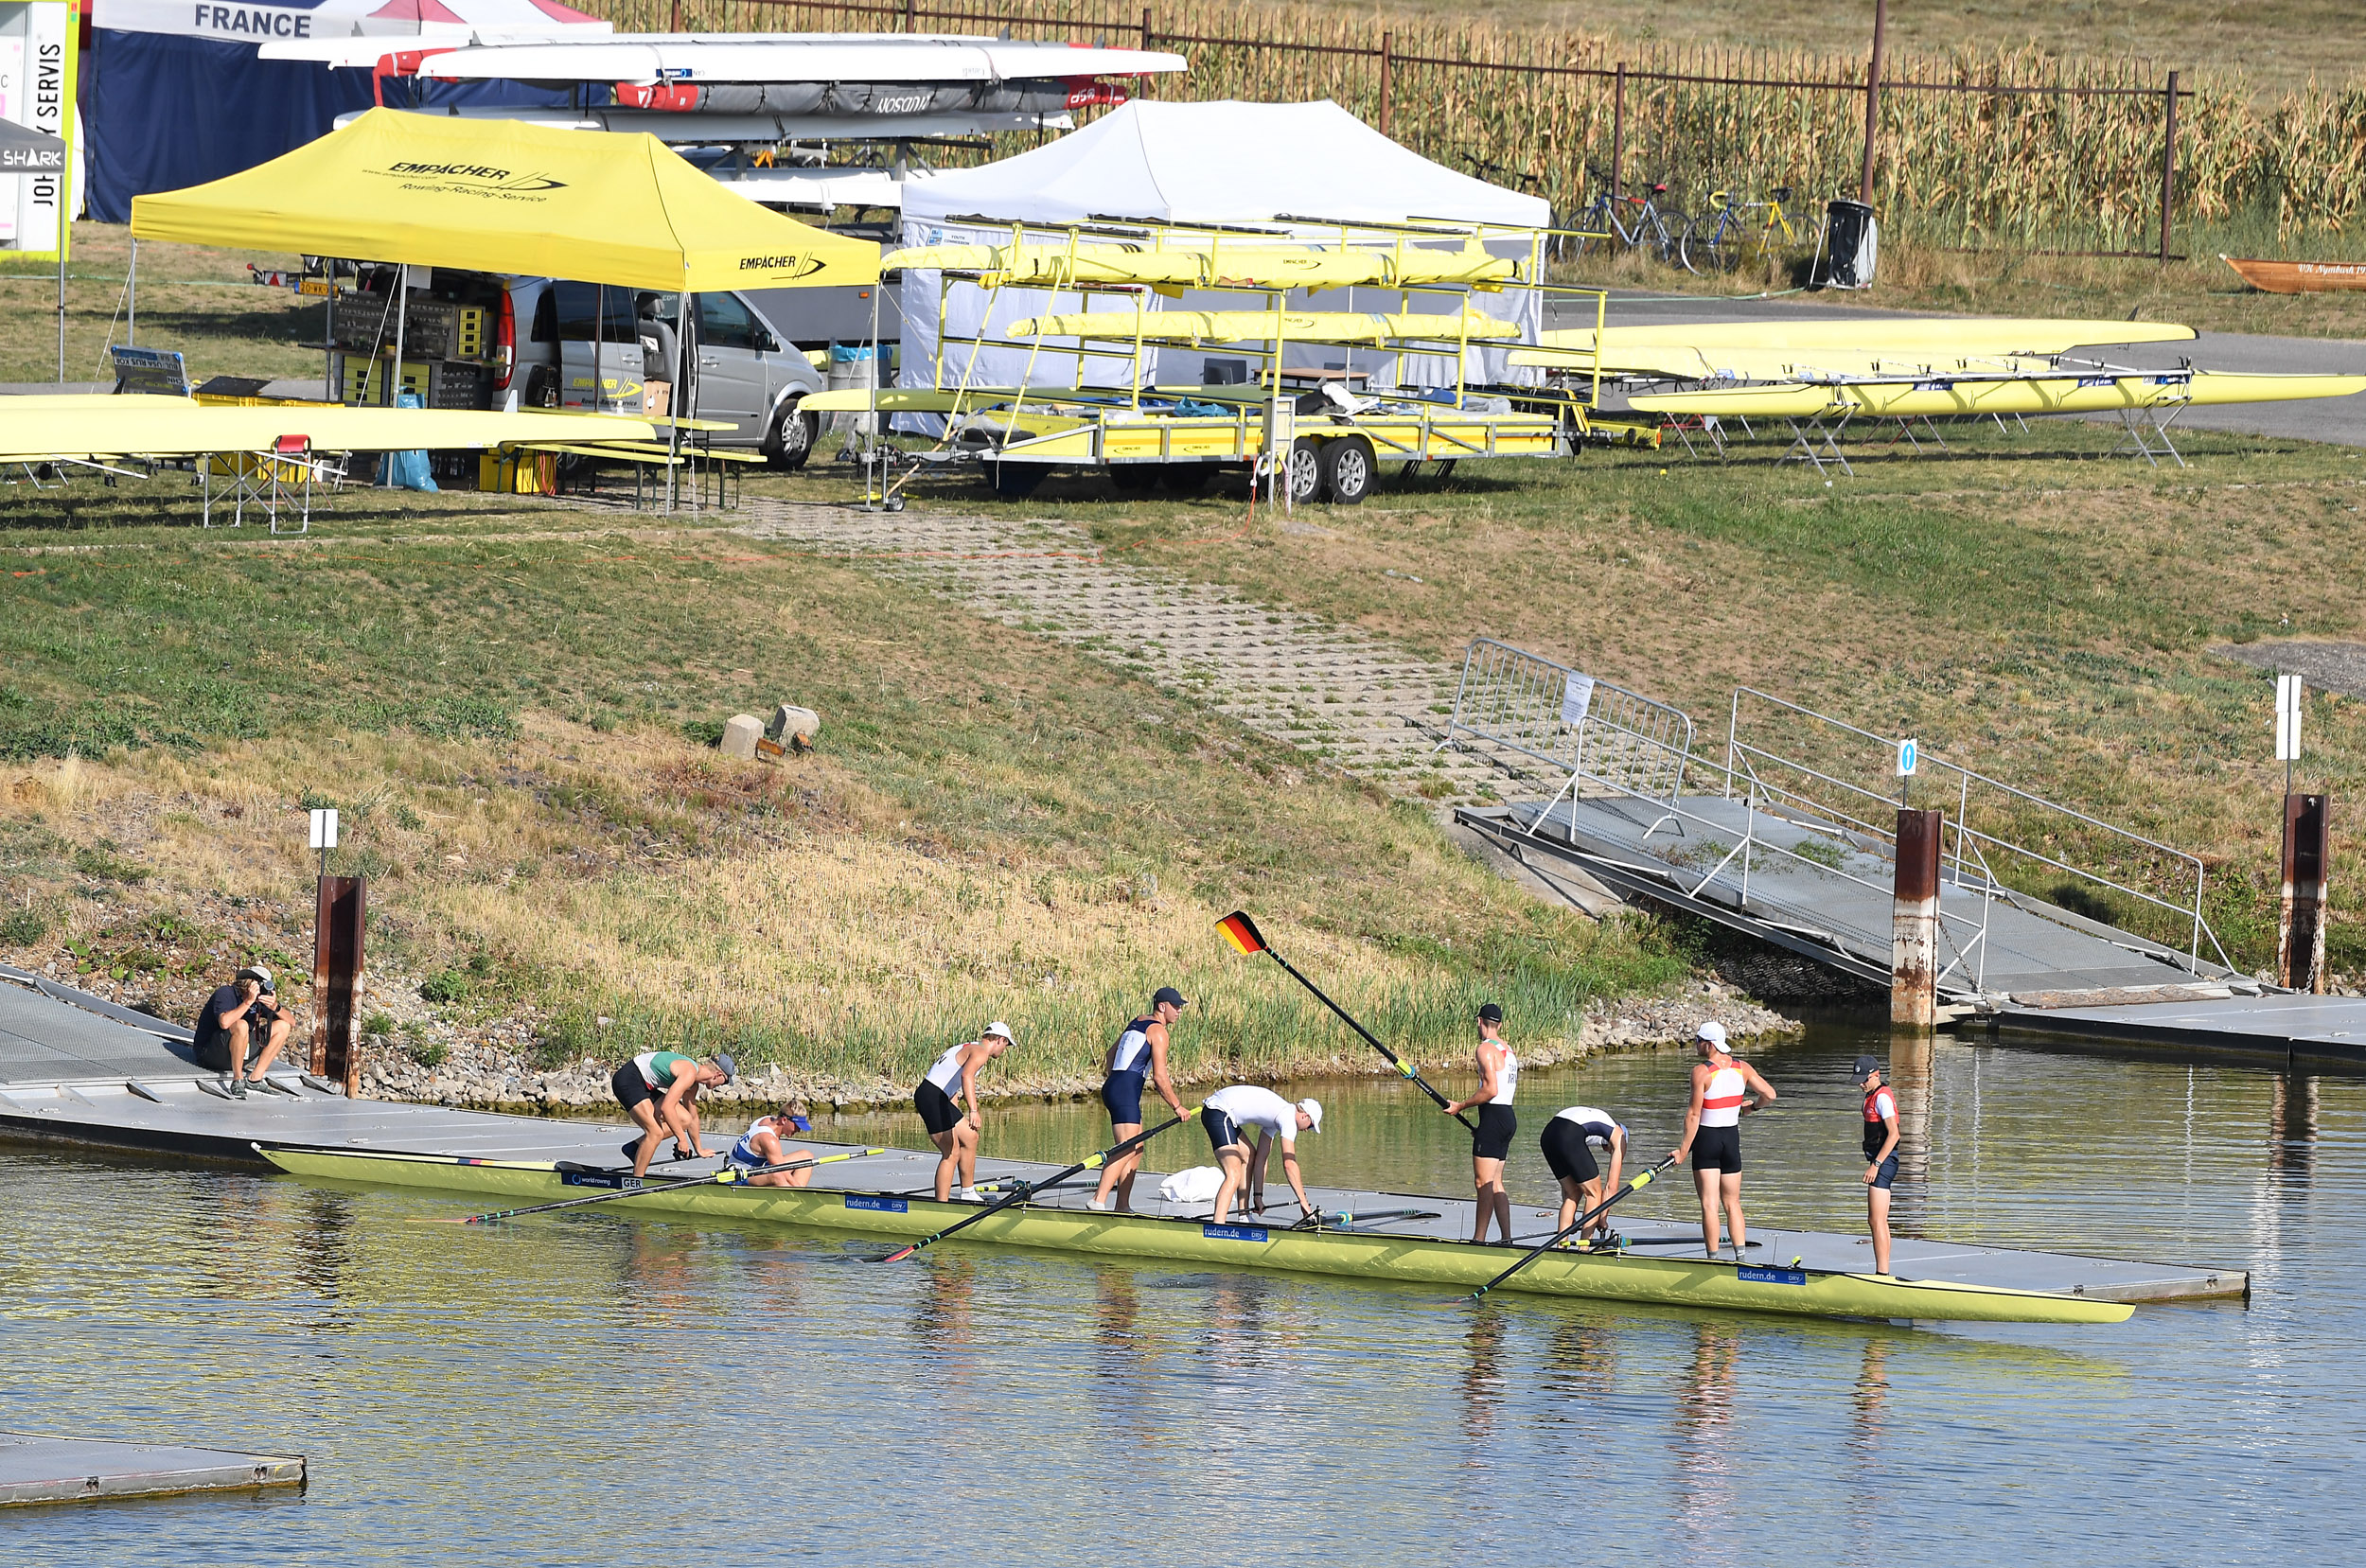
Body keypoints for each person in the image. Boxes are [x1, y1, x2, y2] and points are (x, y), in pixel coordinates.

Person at [1669, 1022, 1777, 1260]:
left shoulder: (1701, 1072)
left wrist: (1683, 1150)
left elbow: (1694, 1115)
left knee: (1709, 1204)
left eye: (1698, 1040)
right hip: (1731, 1140)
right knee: (1732, 1203)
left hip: (1707, 1140)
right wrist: (1751, 1108)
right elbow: (1770, 1095)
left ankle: (1713, 1259)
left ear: (1708, 1044)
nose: (1695, 1044)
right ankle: (1741, 1258)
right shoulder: (1743, 1068)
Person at [1089, 987, 1191, 1213]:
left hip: (1116, 1086)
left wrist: (1116, 1081)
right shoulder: (1160, 1032)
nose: (1180, 1011)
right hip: (1125, 1090)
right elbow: (1160, 1077)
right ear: (1162, 1007)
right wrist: (1177, 1106)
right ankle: (1098, 1200)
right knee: (1126, 1148)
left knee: (1137, 1146)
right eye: (1176, 1006)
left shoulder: (1138, 1021)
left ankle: (1122, 1205)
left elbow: (1110, 1054)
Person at [1442, 1002, 1519, 1244]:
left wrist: (1460, 1106)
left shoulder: (1484, 1049)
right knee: (1496, 1182)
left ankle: (1479, 1240)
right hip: (1507, 1119)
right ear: (1500, 1024)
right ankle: (1506, 1238)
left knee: (1482, 1182)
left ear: (1479, 1021)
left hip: (1494, 1117)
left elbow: (1490, 1090)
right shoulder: (1508, 1049)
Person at [917, 1023, 1012, 1202]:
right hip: (931, 1097)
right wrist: (973, 1111)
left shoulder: (968, 1047)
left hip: (939, 1097)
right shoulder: (980, 1053)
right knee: (951, 1153)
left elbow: (950, 1084)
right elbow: (966, 1076)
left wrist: (956, 1116)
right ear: (1001, 1040)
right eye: (1006, 1045)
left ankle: (968, 1193)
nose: (1005, 1049)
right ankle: (941, 1206)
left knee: (970, 1136)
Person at [1202, 1084, 1320, 1225]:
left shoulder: (1277, 1118)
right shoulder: (1288, 1118)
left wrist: (1258, 1195)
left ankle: (1243, 1215)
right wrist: (1304, 1202)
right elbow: (1289, 1164)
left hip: (1222, 1113)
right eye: (1310, 1126)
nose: (1307, 1130)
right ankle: (1218, 1225)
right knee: (1233, 1173)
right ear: (1305, 1116)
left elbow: (1261, 1158)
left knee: (1249, 1155)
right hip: (1218, 1111)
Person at [610, 1049, 736, 1177]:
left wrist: (699, 1149)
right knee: (655, 1133)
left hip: (645, 1085)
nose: (723, 1086)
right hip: (629, 1079)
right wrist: (681, 1139)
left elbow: (692, 1118)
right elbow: (667, 1108)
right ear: (718, 1075)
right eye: (725, 1082)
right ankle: (637, 1181)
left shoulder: (693, 1085)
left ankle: (635, 1148)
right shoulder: (689, 1073)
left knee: (685, 1119)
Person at [191, 965, 291, 1098]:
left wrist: (275, 1007)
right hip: (210, 1054)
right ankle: (237, 1079)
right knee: (241, 1025)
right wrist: (248, 1002)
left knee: (283, 1026)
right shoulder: (226, 993)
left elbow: (292, 1022)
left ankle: (255, 1080)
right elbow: (225, 1022)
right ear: (250, 983)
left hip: (239, 1052)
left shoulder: (258, 1001)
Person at [1541, 1103, 1628, 1248]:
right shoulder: (1620, 1136)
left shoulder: (1593, 1129)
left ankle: (1561, 1246)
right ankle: (1584, 1249)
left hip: (1548, 1134)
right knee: (1594, 1194)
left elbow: (1571, 1177)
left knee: (1572, 1192)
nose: (1609, 1153)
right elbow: (1611, 1186)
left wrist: (1571, 1218)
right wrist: (1602, 1218)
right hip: (1568, 1132)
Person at [1854, 1054, 1902, 1277]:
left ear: (1876, 1075)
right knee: (1875, 1220)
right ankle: (1882, 1271)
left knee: (1877, 1220)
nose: (1861, 1083)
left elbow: (1893, 1134)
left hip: (1885, 1160)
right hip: (1880, 1159)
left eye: (1864, 1079)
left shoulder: (1882, 1097)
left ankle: (1882, 1274)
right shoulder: (1872, 1094)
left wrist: (1876, 1164)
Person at [727, 1103, 817, 1188]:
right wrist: (797, 1188)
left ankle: (796, 1193)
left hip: (756, 1168)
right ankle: (798, 1197)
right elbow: (781, 1170)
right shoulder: (769, 1139)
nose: (798, 1130)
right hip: (737, 1176)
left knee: (806, 1156)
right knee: (778, 1176)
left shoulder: (767, 1120)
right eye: (797, 1126)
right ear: (784, 1120)